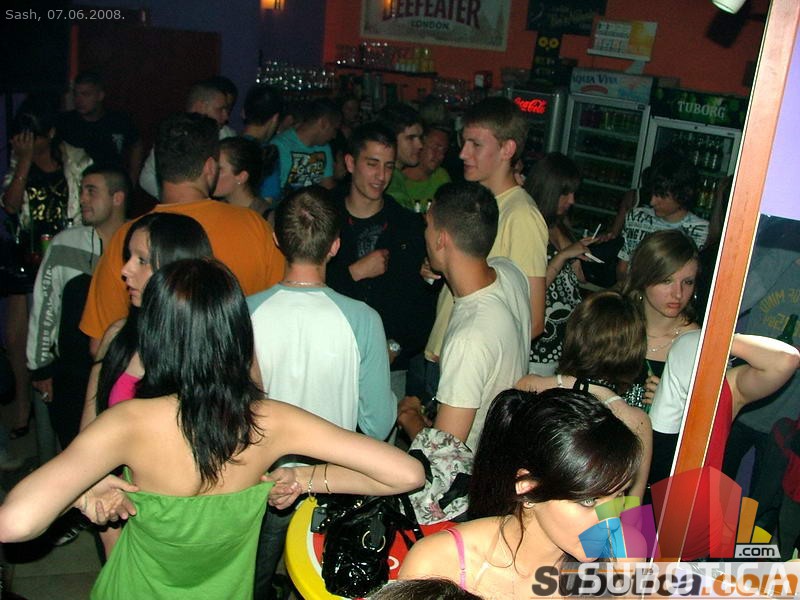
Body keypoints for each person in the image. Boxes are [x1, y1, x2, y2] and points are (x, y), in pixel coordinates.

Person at [0, 258, 424, 599]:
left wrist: (83, 491)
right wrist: (304, 478)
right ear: (236, 333)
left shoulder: (127, 422)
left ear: (155, 335)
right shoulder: (271, 420)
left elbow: (14, 522)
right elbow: (406, 473)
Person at [247, 186, 396, 598]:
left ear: (277, 240)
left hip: (261, 479)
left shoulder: (244, 312)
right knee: (318, 583)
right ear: (334, 246)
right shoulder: (363, 319)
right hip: (330, 481)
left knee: (253, 582)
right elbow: (378, 422)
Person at [398, 388, 641, 597]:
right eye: (589, 500)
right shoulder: (439, 564)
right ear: (527, 487)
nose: (611, 521)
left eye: (619, 495)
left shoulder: (624, 555)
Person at [79, 112, 285, 353]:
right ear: (210, 167)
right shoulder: (254, 226)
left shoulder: (128, 237)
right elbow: (280, 318)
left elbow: (101, 344)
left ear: (159, 167)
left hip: (154, 373)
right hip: (233, 370)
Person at [81, 212, 213, 556]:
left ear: (178, 270)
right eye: (129, 256)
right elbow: (88, 436)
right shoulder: (118, 337)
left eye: (141, 260)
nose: (125, 270)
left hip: (193, 525)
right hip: (121, 512)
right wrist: (109, 531)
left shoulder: (218, 348)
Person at [396, 181, 531, 450]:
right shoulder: (510, 272)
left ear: (441, 239)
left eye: (428, 225)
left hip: (473, 468)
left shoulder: (469, 338)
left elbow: (444, 456)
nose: (425, 233)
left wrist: (409, 417)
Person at [424, 97, 547, 375]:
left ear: (507, 149)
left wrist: (474, 363)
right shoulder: (476, 203)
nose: (463, 154)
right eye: (463, 142)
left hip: (466, 366)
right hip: (442, 355)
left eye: (476, 145)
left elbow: (533, 320)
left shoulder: (521, 215)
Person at [2, 93, 92, 438]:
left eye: (33, 136)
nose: (25, 142)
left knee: (58, 331)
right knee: (16, 337)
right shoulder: (20, 161)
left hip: (67, 254)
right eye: (21, 136)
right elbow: (11, 206)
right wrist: (24, 162)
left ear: (50, 133)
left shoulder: (76, 159)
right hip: (27, 255)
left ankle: (60, 403)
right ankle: (23, 406)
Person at [327, 122, 436, 393]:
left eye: (388, 166)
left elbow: (421, 303)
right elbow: (304, 286)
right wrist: (354, 273)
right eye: (372, 164)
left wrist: (396, 346)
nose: (381, 176)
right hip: (328, 357)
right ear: (350, 163)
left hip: (388, 367)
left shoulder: (407, 226)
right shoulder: (324, 217)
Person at [27, 165, 128, 449]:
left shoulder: (139, 242)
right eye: (82, 191)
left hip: (126, 372)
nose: (82, 199)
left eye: (91, 191)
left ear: (117, 198)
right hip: (73, 374)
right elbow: (45, 306)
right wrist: (41, 367)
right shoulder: (65, 245)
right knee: (75, 447)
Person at [516, 291, 653, 499]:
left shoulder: (529, 386)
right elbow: (632, 506)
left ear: (574, 335)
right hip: (593, 520)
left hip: (528, 508)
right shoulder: (635, 420)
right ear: (634, 351)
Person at [648, 330, 799, 487]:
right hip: (649, 489)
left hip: (695, 494)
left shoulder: (727, 388)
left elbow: (786, 359)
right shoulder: (666, 391)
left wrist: (717, 334)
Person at [524, 153, 595, 376]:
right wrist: (563, 255)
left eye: (574, 193)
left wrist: (580, 260)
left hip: (567, 341)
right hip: (541, 342)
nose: (571, 200)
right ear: (548, 190)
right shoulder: (528, 225)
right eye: (565, 193)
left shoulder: (559, 224)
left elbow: (575, 281)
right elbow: (528, 289)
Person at [622, 229, 701, 409]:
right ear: (643, 278)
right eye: (667, 280)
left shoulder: (697, 345)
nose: (678, 293)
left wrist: (678, 405)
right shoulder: (612, 326)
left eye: (688, 282)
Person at [616, 152, 708, 281]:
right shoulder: (636, 216)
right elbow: (623, 267)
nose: (652, 201)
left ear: (683, 194)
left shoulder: (701, 230)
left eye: (662, 196)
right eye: (652, 193)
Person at [139, 80, 234, 199]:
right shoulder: (174, 134)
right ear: (200, 106)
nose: (226, 116)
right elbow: (146, 178)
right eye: (220, 109)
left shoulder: (227, 135)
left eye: (227, 110)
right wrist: (176, 199)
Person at [56, 70, 143, 183]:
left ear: (100, 95)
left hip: (112, 184)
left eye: (85, 94)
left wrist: (132, 179)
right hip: (76, 185)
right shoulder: (65, 123)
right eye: (76, 94)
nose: (79, 100)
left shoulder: (118, 121)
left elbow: (136, 144)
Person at [271, 97, 340, 194]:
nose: (334, 136)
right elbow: (273, 192)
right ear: (323, 123)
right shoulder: (280, 145)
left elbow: (327, 187)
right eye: (334, 129)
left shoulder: (324, 148)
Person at [380, 103, 424, 211]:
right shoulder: (388, 183)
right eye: (411, 138)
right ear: (390, 139)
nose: (420, 145)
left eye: (420, 138)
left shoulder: (396, 178)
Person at [213, 137, 271, 216]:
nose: (210, 173)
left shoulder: (264, 217)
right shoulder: (213, 208)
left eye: (219, 169)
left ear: (242, 177)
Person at [402, 125, 452, 211]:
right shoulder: (396, 177)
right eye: (435, 147)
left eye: (444, 151)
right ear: (420, 144)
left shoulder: (441, 178)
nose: (441, 156)